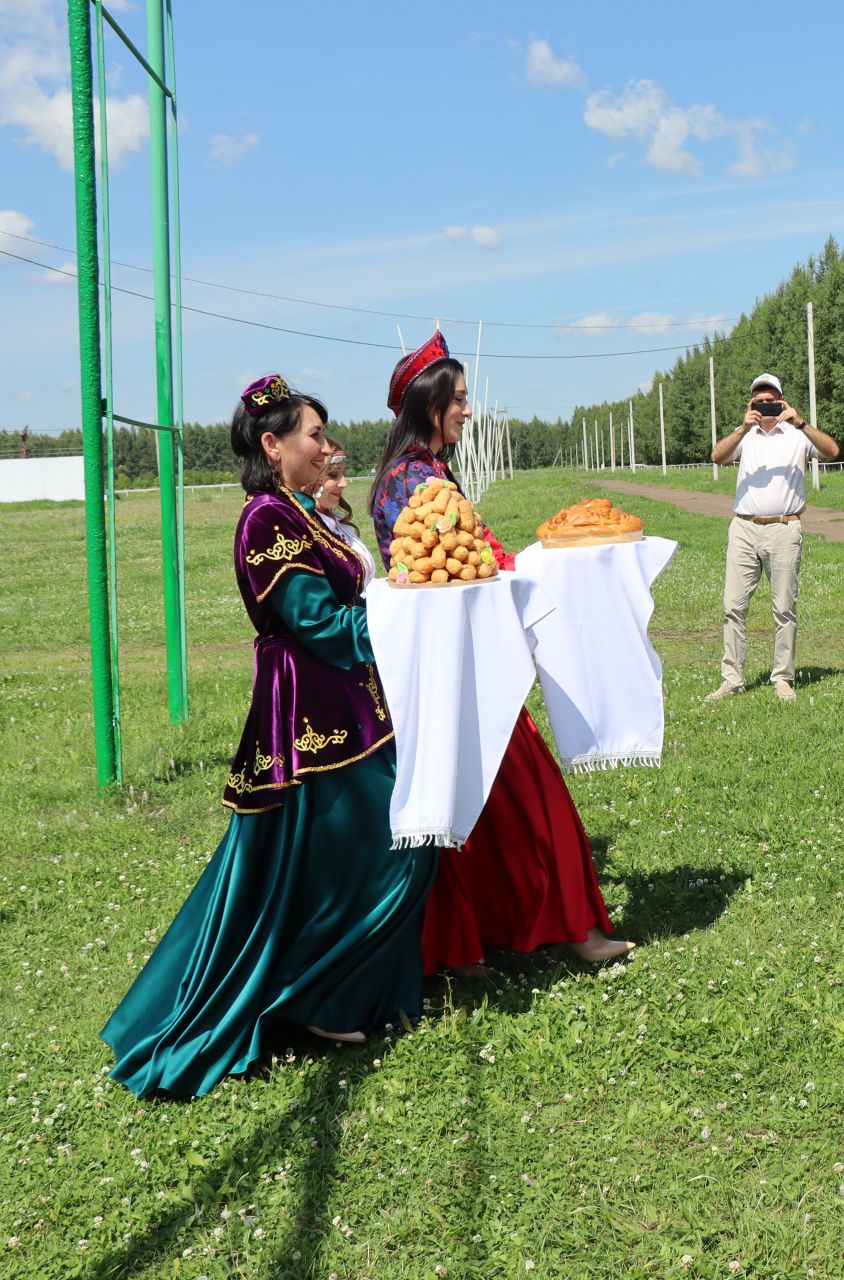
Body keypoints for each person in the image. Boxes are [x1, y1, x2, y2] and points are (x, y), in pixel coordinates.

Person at [102, 376, 436, 1097]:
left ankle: (340, 997)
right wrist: (404, 610)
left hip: (349, 705)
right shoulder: (265, 520)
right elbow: (315, 624)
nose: (325, 447)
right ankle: (320, 999)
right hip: (312, 714)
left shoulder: (298, 512)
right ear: (271, 444)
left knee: (310, 868)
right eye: (313, 435)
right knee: (392, 848)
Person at [371, 332, 634, 974]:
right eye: (457, 399)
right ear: (429, 404)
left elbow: (476, 558)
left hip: (458, 660)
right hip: (453, 666)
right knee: (527, 791)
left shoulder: (427, 474)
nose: (466, 409)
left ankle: (471, 941)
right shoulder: (411, 482)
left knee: (475, 800)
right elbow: (454, 569)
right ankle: (574, 927)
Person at [705, 372, 842, 703]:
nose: (766, 407)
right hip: (744, 527)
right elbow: (717, 457)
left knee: (784, 608)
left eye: (772, 401)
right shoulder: (746, 436)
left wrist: (802, 422)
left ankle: (782, 677)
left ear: (782, 400)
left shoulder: (797, 434)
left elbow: (832, 451)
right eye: (759, 402)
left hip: (784, 527)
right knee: (733, 606)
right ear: (751, 403)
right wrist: (741, 427)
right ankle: (732, 679)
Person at [312, 444, 376, 584]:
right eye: (334, 474)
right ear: (310, 475)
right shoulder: (304, 529)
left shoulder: (340, 523)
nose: (344, 483)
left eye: (343, 474)